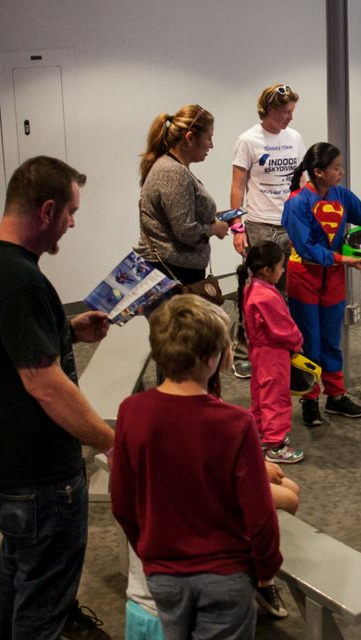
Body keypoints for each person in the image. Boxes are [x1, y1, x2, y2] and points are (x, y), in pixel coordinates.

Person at [0, 156, 113, 638]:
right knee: (45, 603)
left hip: (2, 466)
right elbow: (43, 384)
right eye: (71, 212)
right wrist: (110, 440)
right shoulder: (21, 281)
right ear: (47, 209)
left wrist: (64, 330)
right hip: (41, 476)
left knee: (18, 573)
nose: (72, 223)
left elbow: (0, 346)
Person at [110, 294, 283, 639]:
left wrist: (148, 551)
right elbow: (260, 513)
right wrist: (266, 568)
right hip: (226, 575)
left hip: (163, 574)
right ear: (211, 358)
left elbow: (122, 502)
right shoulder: (236, 423)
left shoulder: (132, 411)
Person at [283, 142, 361, 427]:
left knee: (332, 341)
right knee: (309, 342)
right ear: (319, 172)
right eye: (336, 168)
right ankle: (310, 399)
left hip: (333, 280)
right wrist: (345, 260)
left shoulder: (342, 196)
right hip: (304, 279)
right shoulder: (297, 202)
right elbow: (307, 249)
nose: (342, 172)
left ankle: (335, 395)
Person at [228, 84, 306, 379]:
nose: (290, 117)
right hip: (259, 225)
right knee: (255, 292)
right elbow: (237, 187)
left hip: (289, 224)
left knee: (285, 291)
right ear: (269, 110)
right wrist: (237, 228)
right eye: (285, 111)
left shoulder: (294, 138)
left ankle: (279, 346)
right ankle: (243, 351)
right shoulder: (248, 140)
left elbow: (298, 181)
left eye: (292, 111)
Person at [135, 104, 229, 286]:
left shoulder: (174, 168)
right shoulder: (172, 172)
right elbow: (185, 230)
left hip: (178, 270)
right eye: (209, 138)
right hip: (174, 273)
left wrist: (212, 218)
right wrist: (214, 229)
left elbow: (180, 217)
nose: (211, 145)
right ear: (190, 138)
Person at [238, 241, 305, 463]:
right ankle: (275, 445)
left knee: (260, 393)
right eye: (280, 266)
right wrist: (297, 342)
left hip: (258, 352)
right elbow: (283, 327)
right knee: (276, 396)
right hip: (273, 354)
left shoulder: (252, 287)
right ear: (267, 270)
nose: (283, 270)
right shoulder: (266, 296)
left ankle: (259, 434)